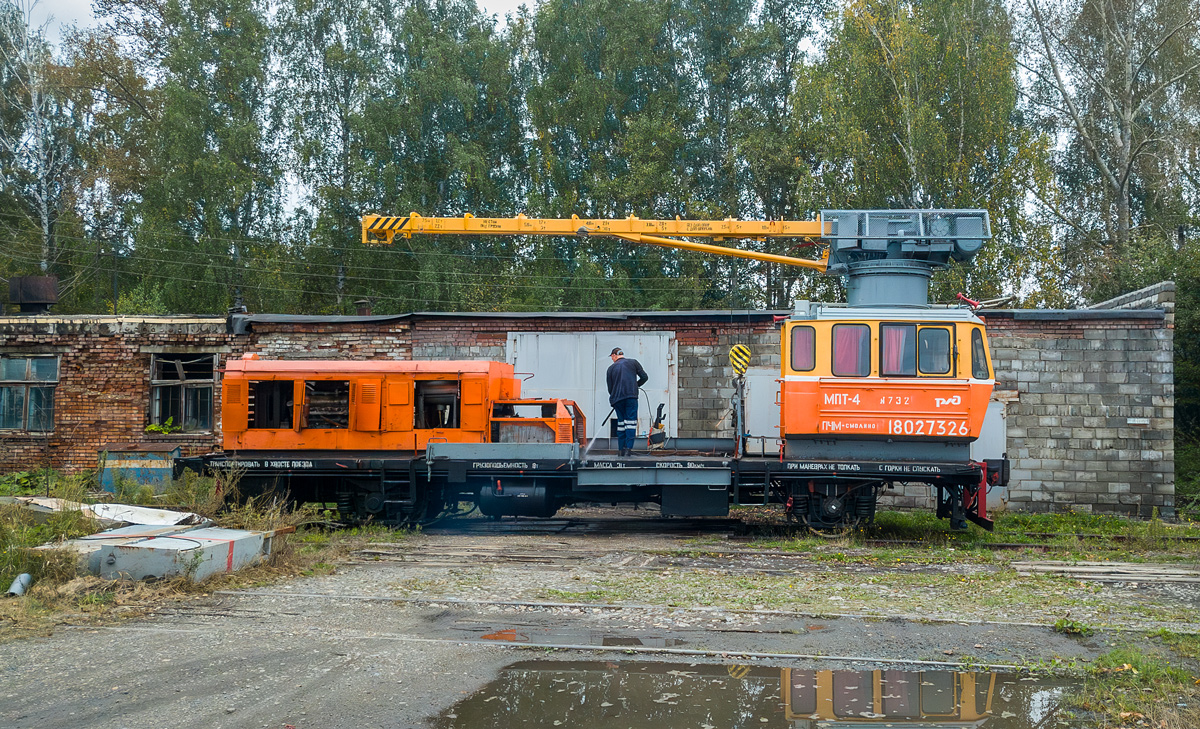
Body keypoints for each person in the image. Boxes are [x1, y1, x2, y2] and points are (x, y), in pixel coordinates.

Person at [606, 347, 648, 457]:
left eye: (611, 357)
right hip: (631, 397)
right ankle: (628, 449)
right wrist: (636, 385)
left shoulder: (611, 368)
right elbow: (644, 377)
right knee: (631, 423)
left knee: (621, 423)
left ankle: (620, 450)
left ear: (614, 355)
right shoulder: (633, 363)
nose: (612, 359)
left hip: (617, 400)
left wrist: (614, 398)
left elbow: (610, 388)